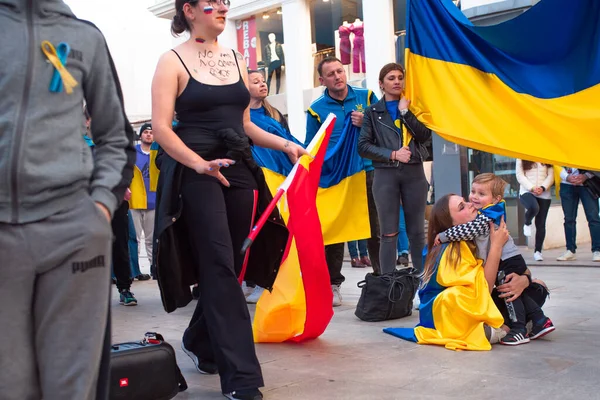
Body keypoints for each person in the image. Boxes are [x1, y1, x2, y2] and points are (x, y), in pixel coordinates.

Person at [151, 1, 307, 399]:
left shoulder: (237, 58)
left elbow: (244, 124)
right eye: (212, 3)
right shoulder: (171, 62)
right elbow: (162, 129)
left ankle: (199, 340)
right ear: (189, 10)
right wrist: (200, 165)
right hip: (196, 170)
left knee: (234, 263)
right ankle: (241, 379)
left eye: (225, 3)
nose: (223, 7)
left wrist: (287, 145)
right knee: (219, 265)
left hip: (239, 166)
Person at [0, 1, 134, 398]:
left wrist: (98, 209)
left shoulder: (84, 36)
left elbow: (115, 136)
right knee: (10, 385)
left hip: (73, 230)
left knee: (71, 388)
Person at [436, 173, 555, 345]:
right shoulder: (458, 245)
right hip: (484, 295)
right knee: (508, 290)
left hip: (508, 261)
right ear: (449, 219)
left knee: (515, 289)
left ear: (495, 198)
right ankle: (536, 321)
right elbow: (481, 288)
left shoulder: (486, 216)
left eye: (481, 194)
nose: (473, 200)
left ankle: (519, 328)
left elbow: (467, 230)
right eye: (472, 192)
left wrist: (524, 279)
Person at [384, 194, 508, 351]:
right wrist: (497, 246)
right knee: (456, 295)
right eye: (461, 207)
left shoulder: (467, 237)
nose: (470, 204)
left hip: (460, 309)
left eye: (465, 201)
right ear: (452, 224)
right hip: (443, 313)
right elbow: (483, 289)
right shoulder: (452, 249)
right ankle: (475, 330)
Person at [306, 56, 380, 307]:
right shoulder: (316, 108)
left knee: (375, 228)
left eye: (340, 71)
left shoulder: (367, 96)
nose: (337, 76)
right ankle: (333, 285)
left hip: (368, 171)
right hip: (336, 177)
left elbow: (387, 126)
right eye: (331, 74)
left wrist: (367, 120)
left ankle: (382, 277)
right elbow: (311, 146)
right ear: (322, 80)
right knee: (335, 232)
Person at [358, 63, 431, 275]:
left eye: (400, 77)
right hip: (385, 174)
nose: (397, 81)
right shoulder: (372, 112)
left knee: (417, 231)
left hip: (414, 172)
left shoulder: (413, 107)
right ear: (381, 84)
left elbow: (425, 136)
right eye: (391, 78)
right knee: (388, 233)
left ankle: (421, 281)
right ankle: (387, 283)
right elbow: (363, 146)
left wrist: (405, 113)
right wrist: (393, 154)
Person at [129, 123, 157, 275]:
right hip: (134, 201)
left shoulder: (157, 152)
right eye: (145, 132)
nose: (148, 134)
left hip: (153, 201)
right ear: (140, 135)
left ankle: (154, 268)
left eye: (151, 132)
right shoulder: (133, 153)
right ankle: (134, 271)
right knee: (135, 240)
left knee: (151, 240)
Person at [556, 167, 600, 262]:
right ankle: (570, 250)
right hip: (566, 184)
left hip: (587, 184)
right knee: (569, 219)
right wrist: (567, 176)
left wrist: (586, 175)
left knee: (593, 218)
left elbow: (595, 161)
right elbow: (556, 164)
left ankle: (597, 250)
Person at [515, 159, 554, 261]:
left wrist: (542, 187)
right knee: (534, 207)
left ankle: (538, 251)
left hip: (544, 193)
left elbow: (551, 176)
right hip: (527, 191)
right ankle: (527, 222)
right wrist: (532, 188)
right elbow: (520, 175)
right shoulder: (521, 156)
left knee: (541, 223)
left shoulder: (547, 155)